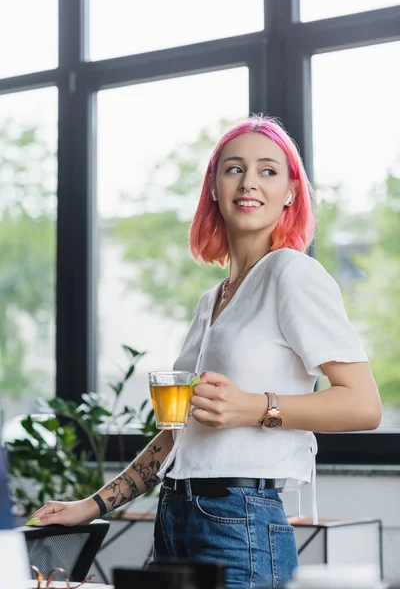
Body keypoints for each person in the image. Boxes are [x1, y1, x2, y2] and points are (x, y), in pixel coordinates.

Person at [29, 115, 382, 589]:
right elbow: (179, 438)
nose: (249, 182)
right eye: (234, 169)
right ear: (214, 186)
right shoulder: (211, 301)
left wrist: (254, 407)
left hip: (242, 524)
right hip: (175, 515)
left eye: (268, 171)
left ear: (291, 193)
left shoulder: (293, 275)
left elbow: (363, 404)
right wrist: (91, 505)